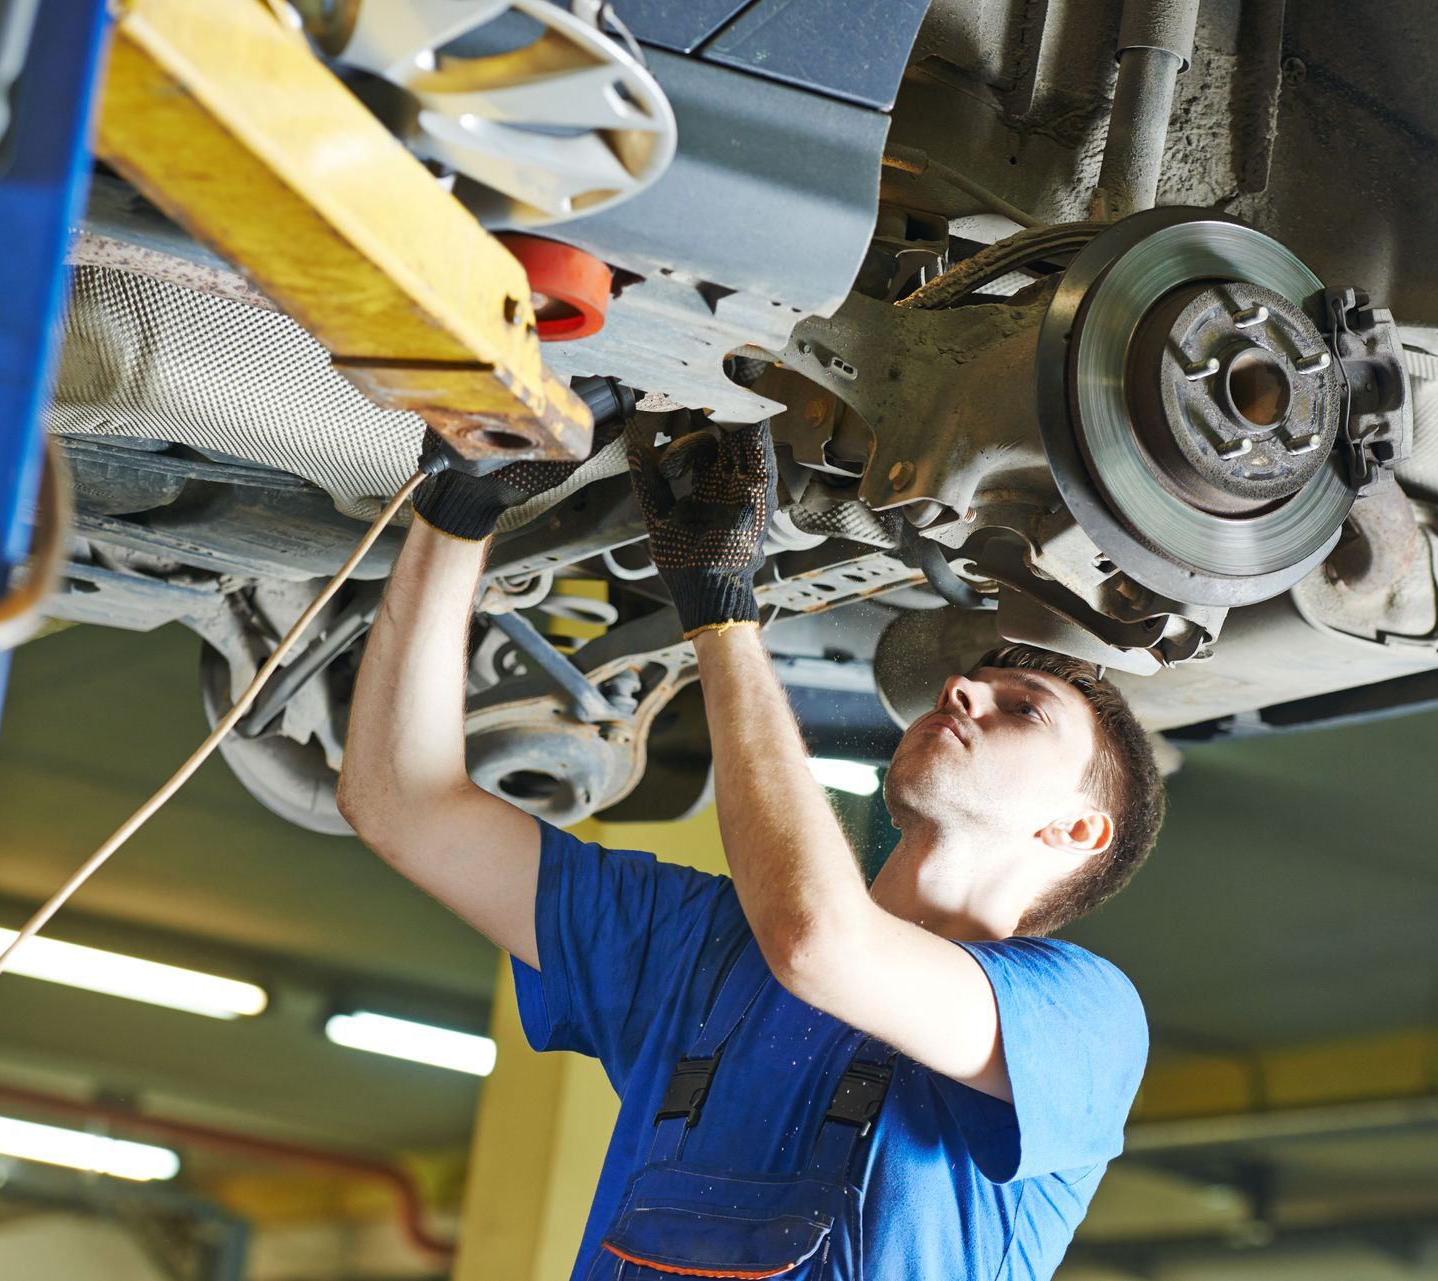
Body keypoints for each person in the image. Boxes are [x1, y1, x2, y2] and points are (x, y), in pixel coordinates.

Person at [337, 418, 1167, 1280]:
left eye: (1024, 708)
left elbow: (818, 941)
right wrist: (458, 511)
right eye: (976, 681)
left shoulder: (1082, 1017)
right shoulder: (697, 949)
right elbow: (404, 803)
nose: (961, 687)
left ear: (1076, 830)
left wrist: (725, 617)